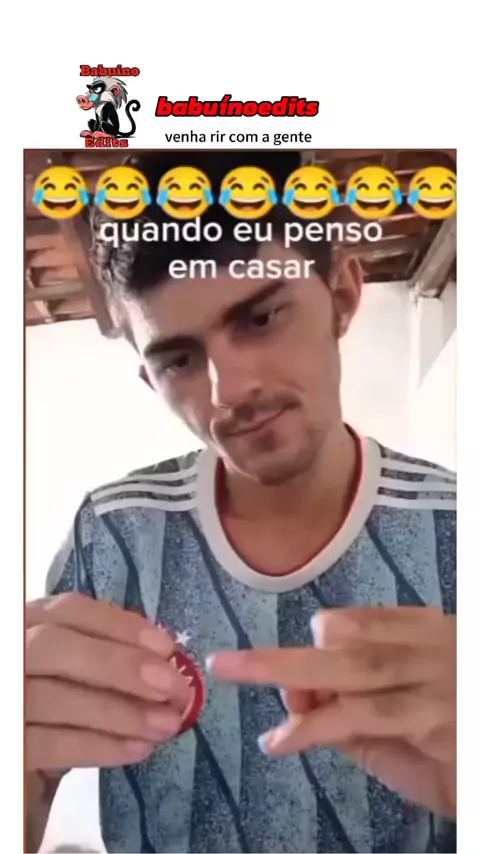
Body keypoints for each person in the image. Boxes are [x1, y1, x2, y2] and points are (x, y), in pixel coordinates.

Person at [26, 150, 456, 854]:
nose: (229, 390)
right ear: (151, 380)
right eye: (179, 360)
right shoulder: (113, 534)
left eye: (260, 318)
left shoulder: (456, 528)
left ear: (343, 295)